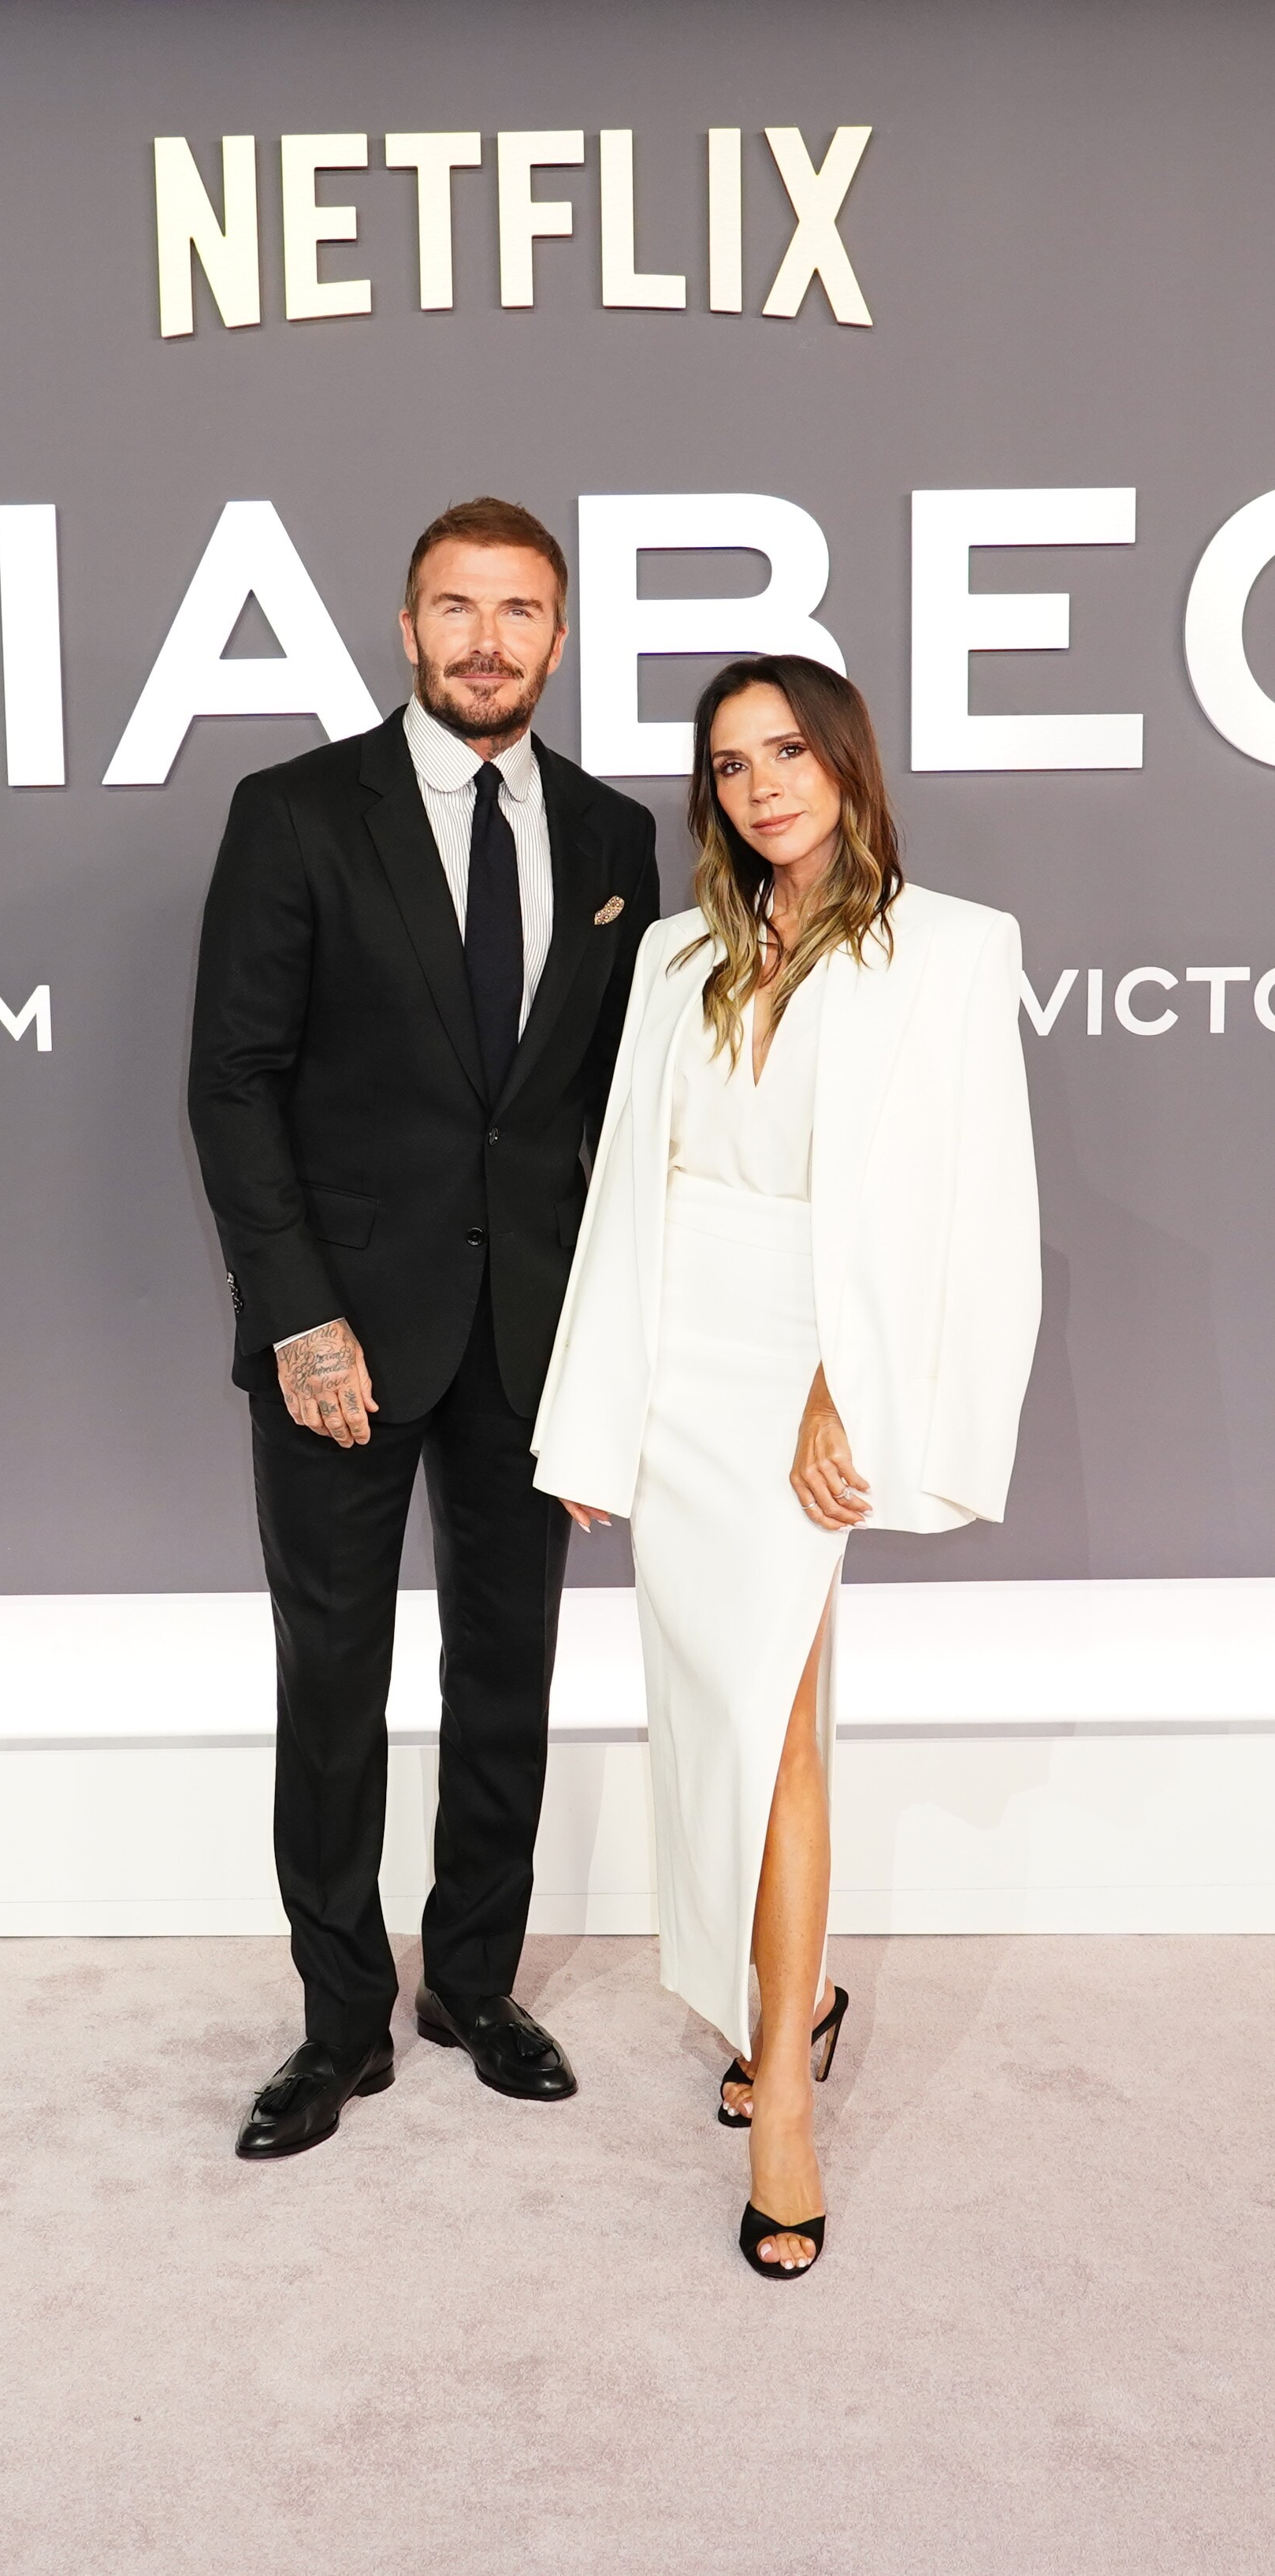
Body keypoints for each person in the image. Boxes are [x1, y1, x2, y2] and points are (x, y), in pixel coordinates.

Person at [532, 654, 1040, 2276]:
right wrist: (597, 1409)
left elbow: (961, 1204)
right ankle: (791, 1998)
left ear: (845, 762)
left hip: (816, 1359)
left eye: (787, 753)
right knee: (716, 1720)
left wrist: (848, 1385)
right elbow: (632, 1186)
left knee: (774, 1737)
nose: (760, 786)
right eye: (731, 763)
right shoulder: (675, 951)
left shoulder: (950, 947)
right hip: (682, 1357)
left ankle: (786, 2112)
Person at [188, 497, 660, 2158]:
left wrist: (615, 1349)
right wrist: (301, 1317)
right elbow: (232, 1082)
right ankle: (339, 2020)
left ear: (557, 638)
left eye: (518, 610)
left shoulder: (611, 837)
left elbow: (613, 1112)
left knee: (507, 1667)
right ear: (406, 629)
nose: (485, 639)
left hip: (530, 1334)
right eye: (456, 607)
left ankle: (471, 1980)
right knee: (333, 1676)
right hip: (341, 1338)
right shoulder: (297, 811)